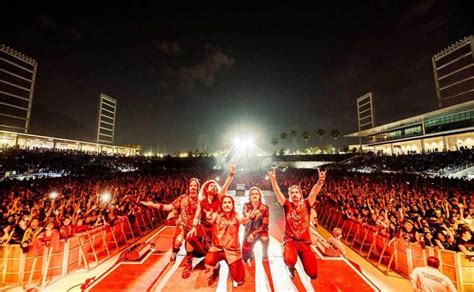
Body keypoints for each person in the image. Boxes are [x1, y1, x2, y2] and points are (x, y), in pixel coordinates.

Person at [268, 167, 326, 281]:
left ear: (301, 194)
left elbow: (314, 192)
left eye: (296, 192)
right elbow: (277, 191)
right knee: (289, 260)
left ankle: (300, 257)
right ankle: (290, 266)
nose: (294, 194)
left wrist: (320, 181)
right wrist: (273, 180)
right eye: (292, 193)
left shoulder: (307, 203)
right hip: (290, 241)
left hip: (304, 242)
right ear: (289, 195)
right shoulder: (287, 204)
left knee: (313, 274)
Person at [141, 178, 200, 278]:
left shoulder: (201, 200)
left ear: (198, 187)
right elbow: (169, 207)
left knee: (190, 244)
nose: (193, 187)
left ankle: (189, 264)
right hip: (182, 226)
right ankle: (174, 251)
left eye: (195, 186)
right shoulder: (182, 198)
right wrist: (152, 205)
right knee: (178, 241)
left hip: (194, 228)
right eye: (191, 185)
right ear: (188, 187)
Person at [204, 195, 249, 287]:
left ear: (233, 205)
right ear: (221, 205)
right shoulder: (216, 215)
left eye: (229, 202)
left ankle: (232, 267)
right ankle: (217, 268)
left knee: (239, 280)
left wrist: (247, 217)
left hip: (232, 251)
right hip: (217, 249)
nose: (227, 205)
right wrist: (208, 217)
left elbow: (243, 220)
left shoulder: (237, 216)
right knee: (208, 263)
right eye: (225, 203)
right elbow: (210, 219)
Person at [241, 187, 270, 264]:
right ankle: (250, 251)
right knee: (245, 257)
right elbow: (244, 223)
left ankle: (265, 254)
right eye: (252, 194)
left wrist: (254, 234)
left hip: (261, 230)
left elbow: (264, 225)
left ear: (259, 196)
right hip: (249, 230)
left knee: (265, 239)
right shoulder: (246, 206)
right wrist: (251, 217)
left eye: (256, 194)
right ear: (249, 196)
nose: (254, 195)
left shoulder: (265, 208)